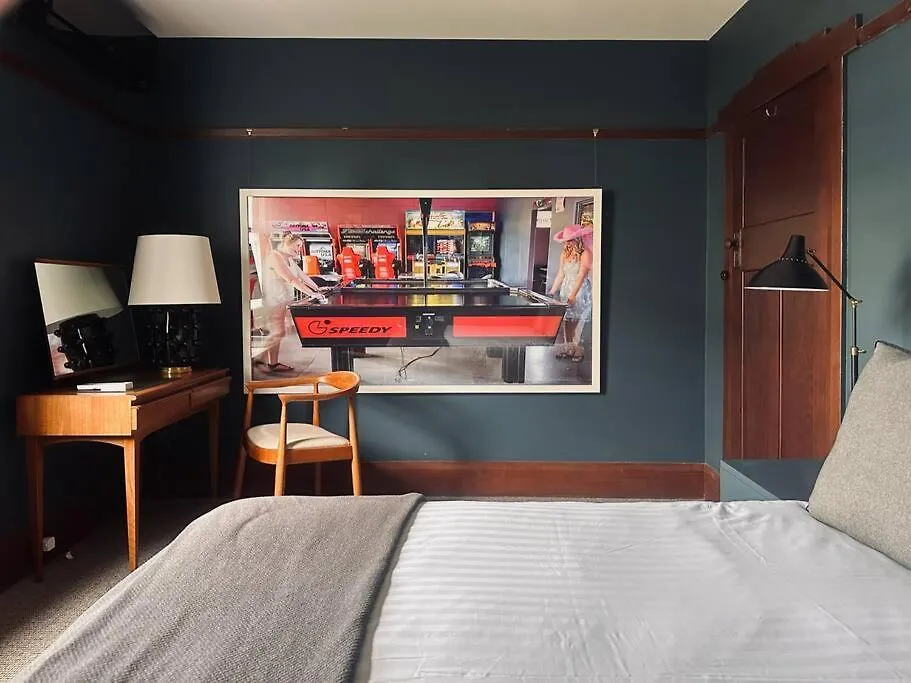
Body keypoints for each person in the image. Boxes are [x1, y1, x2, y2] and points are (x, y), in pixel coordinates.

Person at [257, 232, 327, 375]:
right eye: (297, 246)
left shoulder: (289, 259)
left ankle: (267, 362)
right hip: (273, 301)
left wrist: (317, 288)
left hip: (282, 300)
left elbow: (302, 276)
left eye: (300, 246)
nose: (299, 249)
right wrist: (312, 294)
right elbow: (291, 279)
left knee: (278, 332)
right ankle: (261, 361)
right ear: (286, 244)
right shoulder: (275, 257)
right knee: (278, 332)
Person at [548, 224, 594, 363]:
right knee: (567, 321)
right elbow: (561, 274)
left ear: (577, 239)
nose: (567, 244)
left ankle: (577, 350)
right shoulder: (565, 254)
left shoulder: (585, 254)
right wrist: (552, 291)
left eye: (569, 240)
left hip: (579, 290)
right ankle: (569, 349)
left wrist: (573, 295)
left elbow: (581, 276)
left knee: (576, 322)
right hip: (566, 289)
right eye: (565, 241)